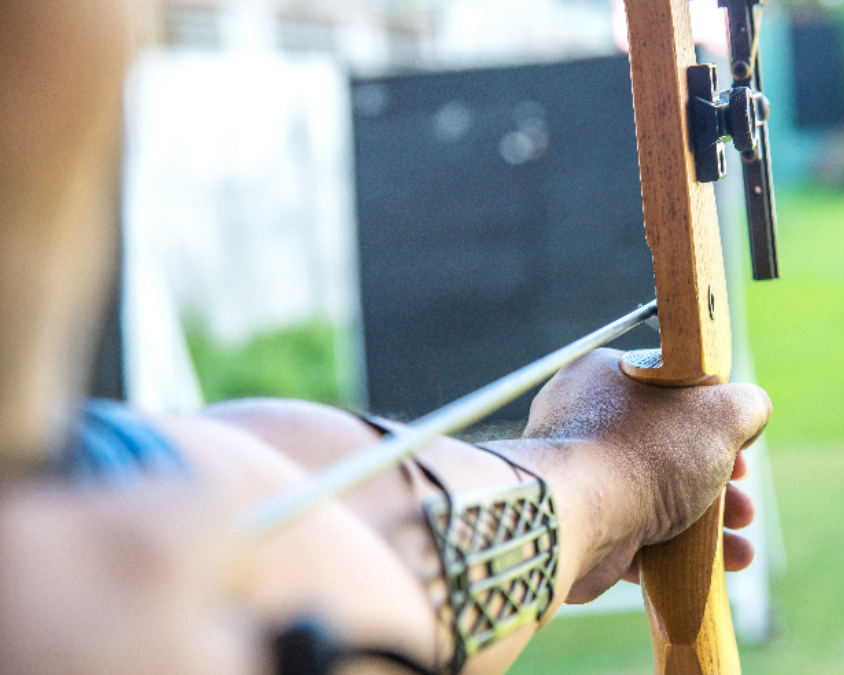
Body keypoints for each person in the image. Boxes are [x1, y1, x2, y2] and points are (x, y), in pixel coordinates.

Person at [0, 2, 772, 674]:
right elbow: (327, 598)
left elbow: (276, 466)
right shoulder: (84, 599)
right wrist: (608, 484)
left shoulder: (87, 480)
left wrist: (596, 464)